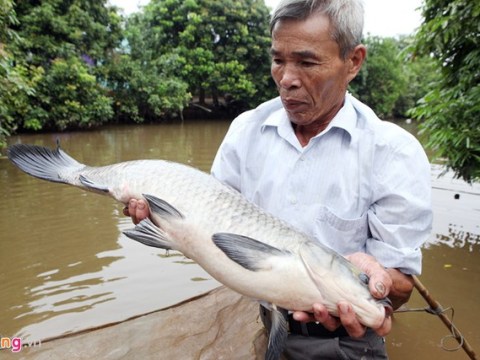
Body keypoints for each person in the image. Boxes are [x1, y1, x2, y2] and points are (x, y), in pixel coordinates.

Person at [125, 0, 432, 358]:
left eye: (306, 62)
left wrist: (376, 278)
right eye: (278, 60)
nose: (286, 79)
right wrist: (160, 218)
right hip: (270, 319)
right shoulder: (246, 131)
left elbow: (400, 285)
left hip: (348, 341)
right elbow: (207, 222)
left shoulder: (394, 153)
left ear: (353, 61)